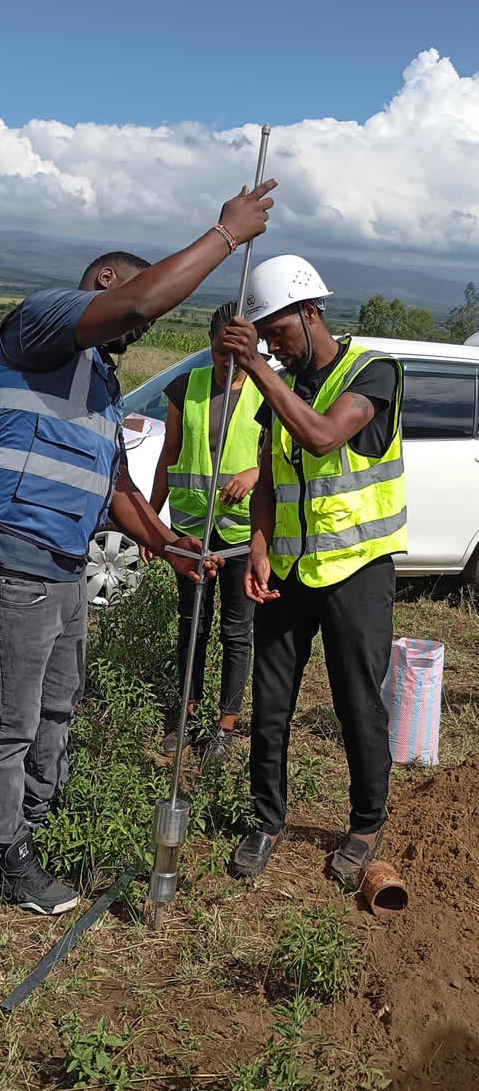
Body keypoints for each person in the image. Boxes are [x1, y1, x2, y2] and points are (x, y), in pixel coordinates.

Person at [0, 177, 276, 915]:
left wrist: (166, 543)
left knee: (59, 702)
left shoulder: (96, 381)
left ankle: (37, 820)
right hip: (11, 548)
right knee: (12, 718)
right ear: (103, 280)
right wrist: (226, 235)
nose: (137, 333)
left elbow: (118, 489)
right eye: (128, 309)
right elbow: (138, 302)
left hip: (60, 559)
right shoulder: (42, 321)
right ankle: (2, 859)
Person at [219, 255, 406, 884]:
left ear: (310, 310)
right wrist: (261, 546)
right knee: (270, 704)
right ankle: (266, 820)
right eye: (265, 337)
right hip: (290, 572)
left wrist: (256, 369)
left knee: (358, 701)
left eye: (280, 332)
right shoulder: (285, 384)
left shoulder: (371, 372)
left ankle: (365, 821)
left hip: (357, 570)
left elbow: (324, 436)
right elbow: (270, 471)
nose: (274, 345)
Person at [145, 302, 263, 764]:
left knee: (237, 632)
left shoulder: (268, 391)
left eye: (237, 353)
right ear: (212, 343)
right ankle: (187, 718)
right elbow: (168, 456)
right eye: (219, 351)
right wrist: (154, 526)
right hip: (192, 530)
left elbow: (280, 456)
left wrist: (253, 473)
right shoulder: (186, 386)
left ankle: (225, 728)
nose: (227, 362)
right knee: (193, 627)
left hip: (241, 531)